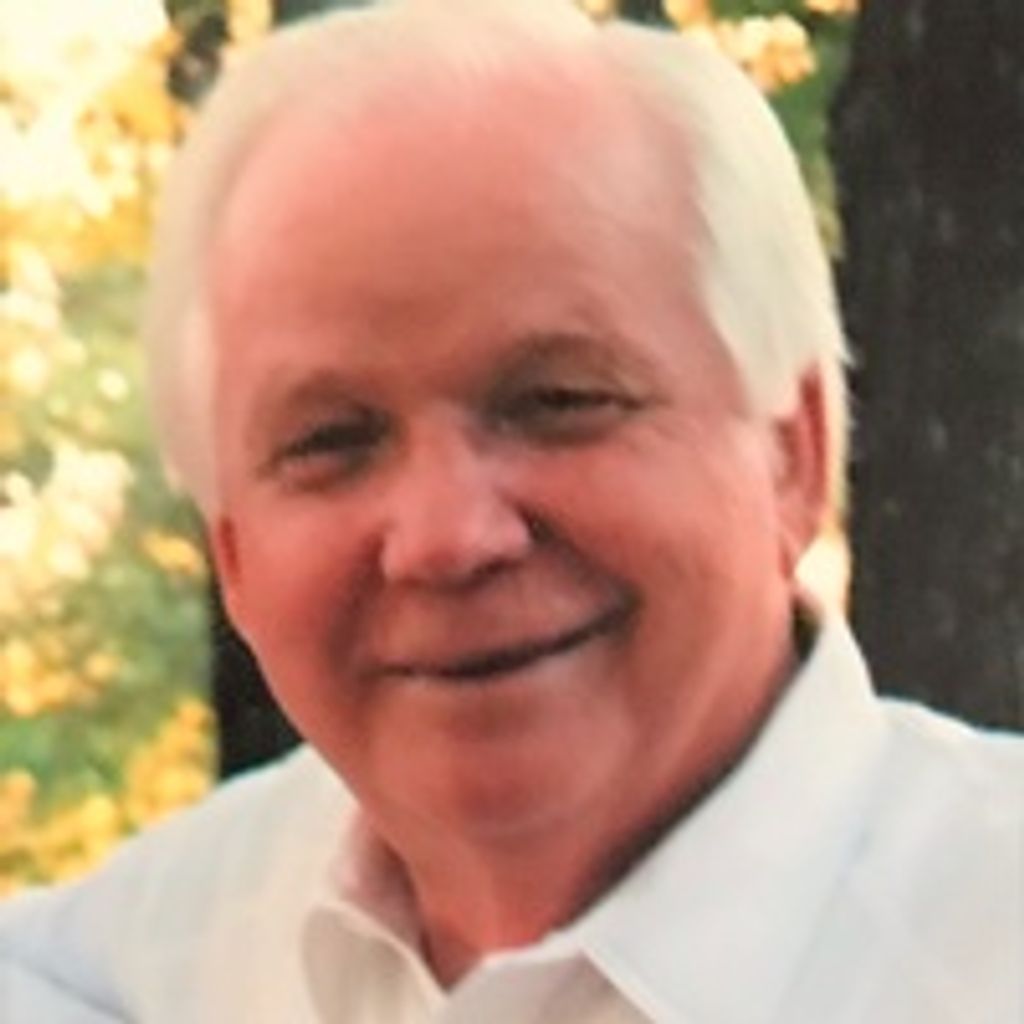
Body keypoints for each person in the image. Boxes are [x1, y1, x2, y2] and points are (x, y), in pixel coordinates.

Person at [1, 1, 1020, 1020]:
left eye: (559, 401)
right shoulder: (106, 979)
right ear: (233, 554)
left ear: (791, 455)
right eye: (330, 442)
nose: (447, 537)